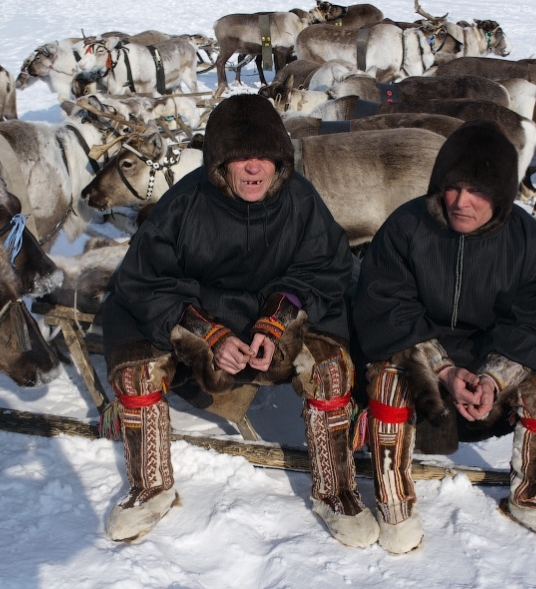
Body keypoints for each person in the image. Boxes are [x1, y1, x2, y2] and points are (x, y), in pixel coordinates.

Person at [100, 94, 379, 547]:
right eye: (240, 158)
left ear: (280, 160)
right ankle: (150, 486)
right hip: (198, 314)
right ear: (220, 163)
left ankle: (336, 490)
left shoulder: (301, 201)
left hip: (275, 316)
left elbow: (326, 268)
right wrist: (207, 334)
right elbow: (144, 281)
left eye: (264, 157)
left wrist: (277, 322)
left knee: (330, 371)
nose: (254, 168)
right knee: (136, 372)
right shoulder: (185, 203)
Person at [351, 119, 536, 554]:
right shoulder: (406, 228)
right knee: (386, 377)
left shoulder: (529, 243)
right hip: (425, 347)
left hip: (490, 356)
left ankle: (529, 494)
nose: (461, 202)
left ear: (501, 194)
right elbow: (386, 306)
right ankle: (394, 501)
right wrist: (443, 368)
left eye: (478, 191)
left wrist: (493, 378)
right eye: (453, 187)